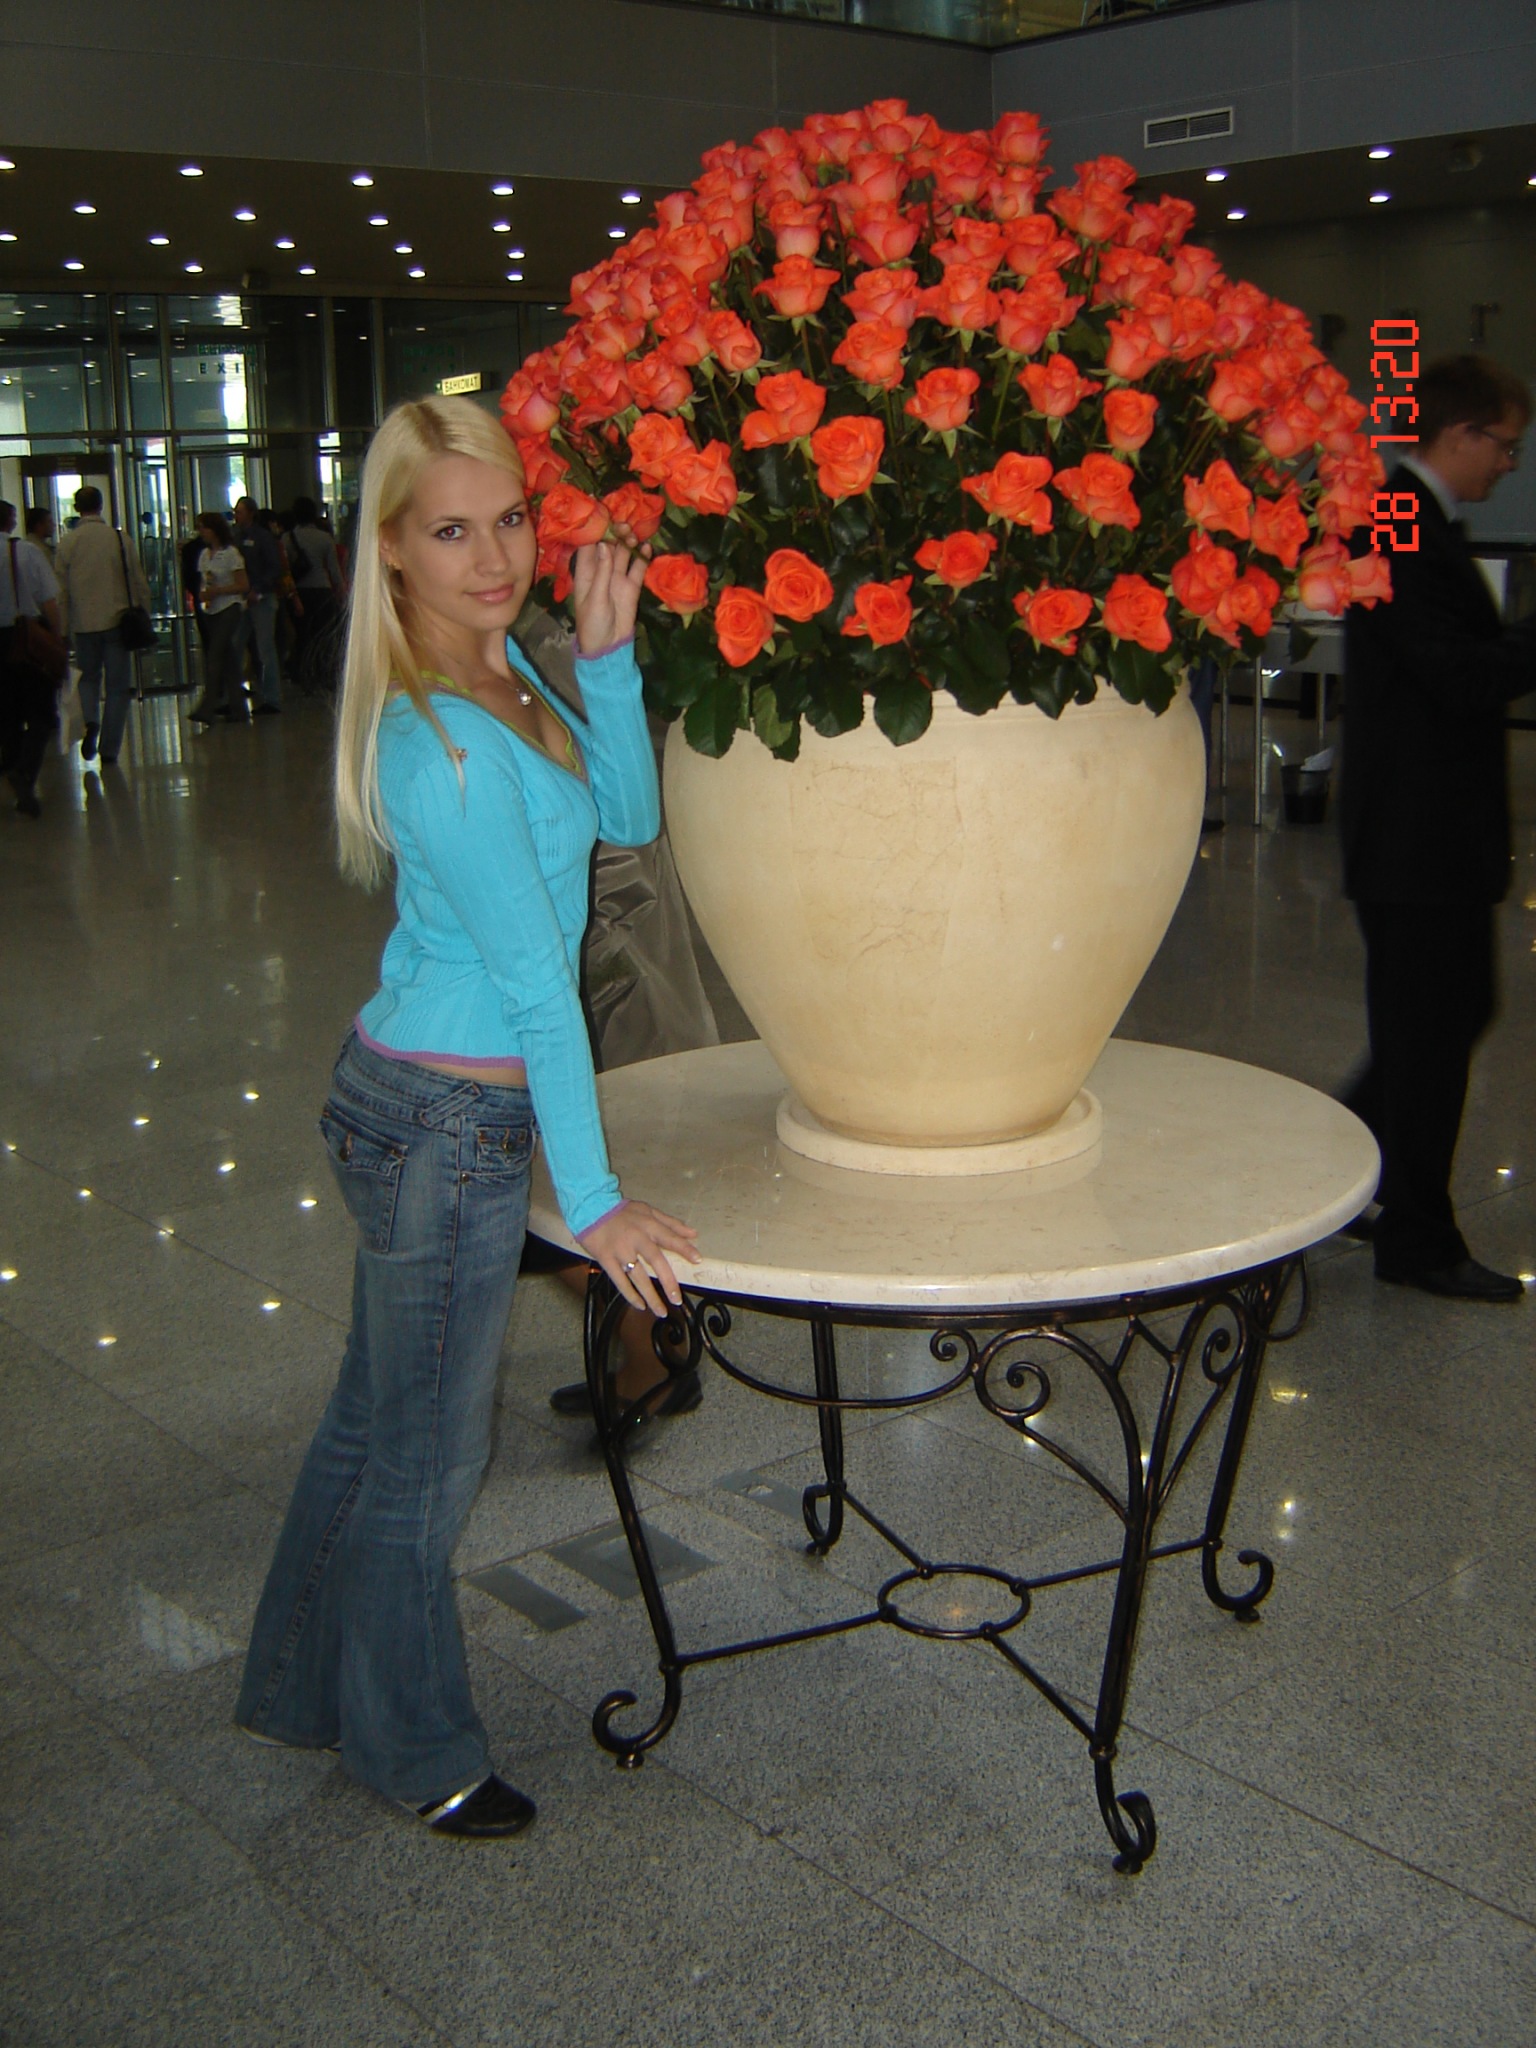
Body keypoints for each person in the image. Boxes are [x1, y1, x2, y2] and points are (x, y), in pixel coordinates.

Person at [236, 397, 697, 1839]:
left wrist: (606, 659)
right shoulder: (432, 738)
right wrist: (596, 1199)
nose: (494, 559)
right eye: (451, 531)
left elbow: (627, 817)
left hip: (426, 1100)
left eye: (509, 520)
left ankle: (296, 1685)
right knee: (427, 1465)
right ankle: (413, 1746)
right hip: (444, 1121)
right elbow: (537, 986)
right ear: (389, 550)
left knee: (373, 1421)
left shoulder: (513, 673)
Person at [1341, 354, 1536, 1303]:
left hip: (1428, 833)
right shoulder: (1396, 520)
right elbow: (1457, 675)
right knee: (1429, 1037)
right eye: (1502, 445)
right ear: (1458, 434)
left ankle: (1343, 1163)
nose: (1507, 463)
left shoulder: (1410, 517)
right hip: (1416, 839)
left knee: (1447, 1018)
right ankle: (1416, 1238)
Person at [54, 484, 153, 767]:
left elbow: (61, 592)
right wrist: (145, 612)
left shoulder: (67, 543)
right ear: (100, 506)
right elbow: (137, 580)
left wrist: (63, 629)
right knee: (118, 686)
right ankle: (109, 749)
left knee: (88, 678)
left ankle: (91, 721)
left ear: (77, 509)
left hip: (83, 624)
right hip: (117, 621)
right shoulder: (119, 539)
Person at [0, 499, 63, 817]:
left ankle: (12, 770)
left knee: (7, 715)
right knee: (41, 714)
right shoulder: (23, 552)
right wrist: (57, 638)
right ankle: (23, 772)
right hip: (26, 639)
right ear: (10, 520)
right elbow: (49, 601)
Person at [188, 512, 250, 726]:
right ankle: (238, 707)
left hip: (229, 606)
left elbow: (243, 585)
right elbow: (203, 581)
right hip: (211, 609)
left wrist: (219, 591)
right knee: (228, 658)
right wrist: (203, 595)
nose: (202, 532)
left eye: (204, 528)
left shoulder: (231, 554)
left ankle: (209, 704)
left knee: (215, 653)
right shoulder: (204, 555)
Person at [230, 494, 285, 715]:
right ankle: (233, 695)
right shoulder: (235, 537)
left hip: (262, 598)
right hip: (241, 598)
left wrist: (259, 589)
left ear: (251, 514)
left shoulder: (262, 537)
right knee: (235, 644)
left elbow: (274, 568)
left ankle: (272, 698)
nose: (236, 515)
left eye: (240, 511)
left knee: (265, 648)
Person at [286, 494, 347, 694]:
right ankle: (325, 676)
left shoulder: (287, 538)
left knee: (303, 635)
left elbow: (285, 569)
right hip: (322, 590)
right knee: (324, 635)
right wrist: (341, 591)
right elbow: (334, 570)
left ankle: (305, 678)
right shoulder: (324, 538)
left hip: (299, 592)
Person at [24, 504, 56, 569]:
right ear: (38, 525)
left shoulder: (28, 545)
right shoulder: (37, 549)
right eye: (49, 522)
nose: (54, 525)